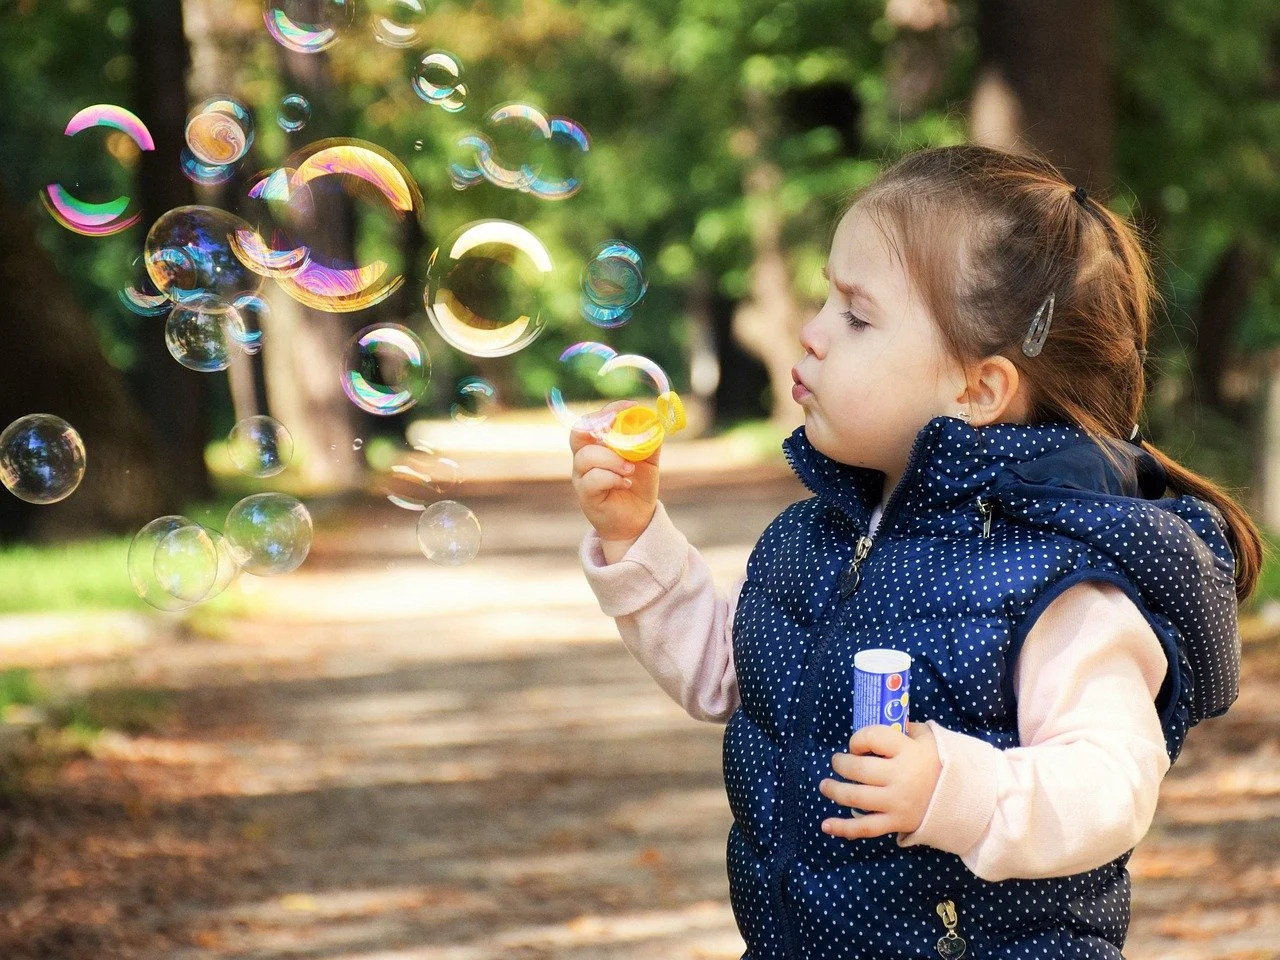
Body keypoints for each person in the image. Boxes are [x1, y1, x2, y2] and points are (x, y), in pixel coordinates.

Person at [570, 143, 1261, 959]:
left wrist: (955, 790)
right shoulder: (816, 534)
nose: (814, 332)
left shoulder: (1054, 578)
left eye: (857, 316)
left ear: (976, 390)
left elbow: (1112, 782)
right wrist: (634, 535)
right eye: (827, 300)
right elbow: (733, 673)